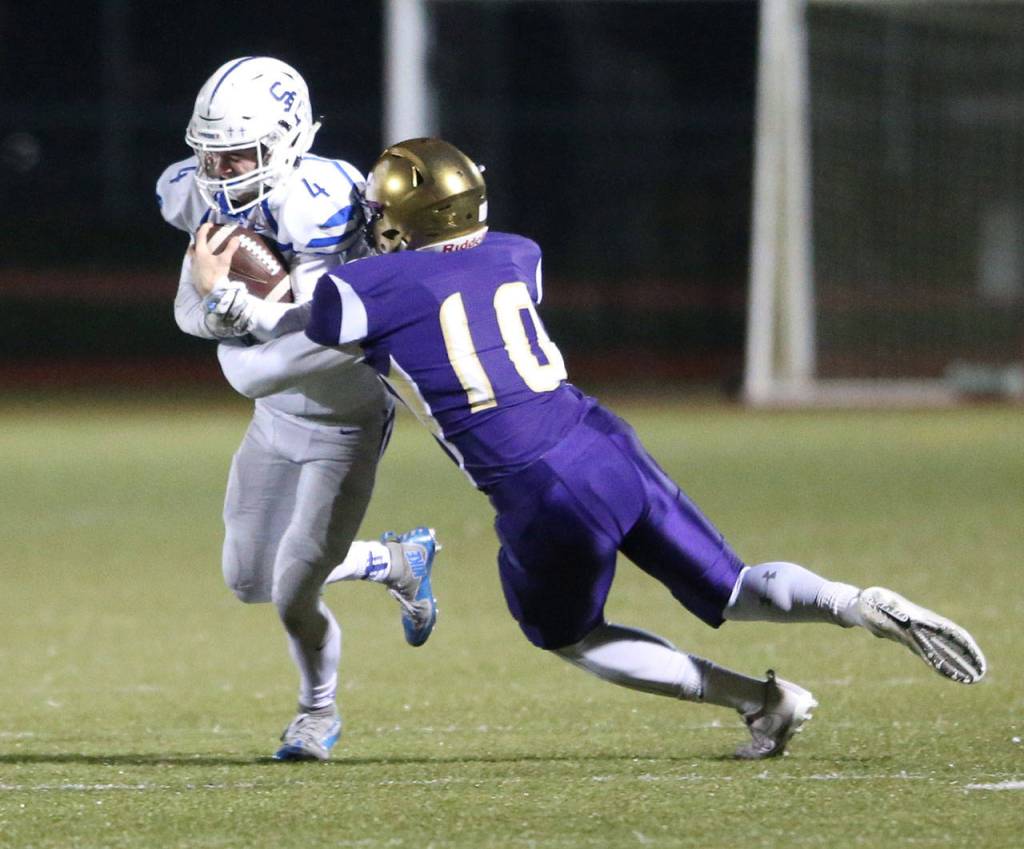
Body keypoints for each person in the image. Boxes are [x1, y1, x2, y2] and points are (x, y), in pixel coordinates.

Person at [190, 138, 987, 760]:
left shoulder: (366, 290)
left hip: (538, 491)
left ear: (400, 221)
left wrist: (226, 292)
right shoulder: (520, 252)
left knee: (573, 635)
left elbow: (285, 325)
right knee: (733, 585)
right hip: (602, 441)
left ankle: (762, 700)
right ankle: (853, 603)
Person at [155, 59, 440, 762]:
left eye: (237, 154)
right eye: (210, 153)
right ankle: (395, 560)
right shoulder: (192, 191)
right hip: (276, 417)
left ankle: (316, 713)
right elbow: (191, 313)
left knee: (292, 592)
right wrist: (223, 314)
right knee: (248, 579)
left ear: (286, 140)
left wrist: (227, 309)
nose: (218, 171)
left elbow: (320, 329)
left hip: (345, 421)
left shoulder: (322, 200)